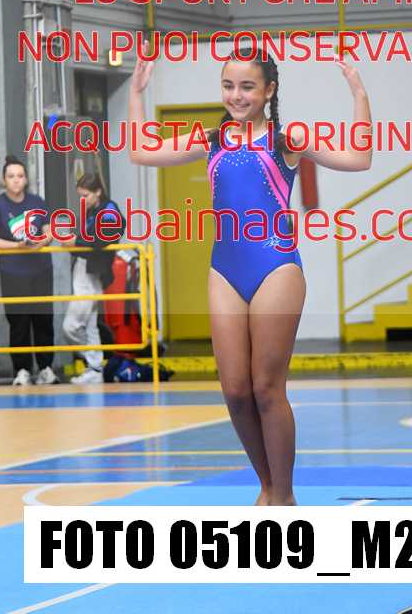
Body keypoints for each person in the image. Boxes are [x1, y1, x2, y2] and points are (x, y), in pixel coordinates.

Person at [128, 43, 372, 505]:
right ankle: (267, 485)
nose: (236, 96)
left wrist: (358, 93)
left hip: (275, 266)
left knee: (266, 387)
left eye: (247, 87)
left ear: (269, 91)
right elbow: (142, 152)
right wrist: (136, 94)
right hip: (225, 269)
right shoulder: (211, 140)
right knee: (236, 391)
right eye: (228, 86)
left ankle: (284, 494)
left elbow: (360, 158)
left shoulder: (286, 140)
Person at [0, 155, 58, 386]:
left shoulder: (38, 202)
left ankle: (45, 368)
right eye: (11, 176)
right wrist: (17, 246)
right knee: (19, 322)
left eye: (20, 176)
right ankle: (22, 370)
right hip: (12, 272)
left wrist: (40, 242)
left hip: (41, 270)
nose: (16, 180)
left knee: (43, 320)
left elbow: (49, 231)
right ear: (4, 180)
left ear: (26, 179)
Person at [62, 173, 125, 384]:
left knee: (71, 327)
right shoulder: (92, 210)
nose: (83, 200)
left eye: (86, 195)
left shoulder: (109, 210)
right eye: (80, 196)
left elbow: (105, 236)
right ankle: (95, 369)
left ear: (98, 191)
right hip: (85, 269)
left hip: (92, 273)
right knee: (89, 325)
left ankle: (95, 361)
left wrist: (76, 241)